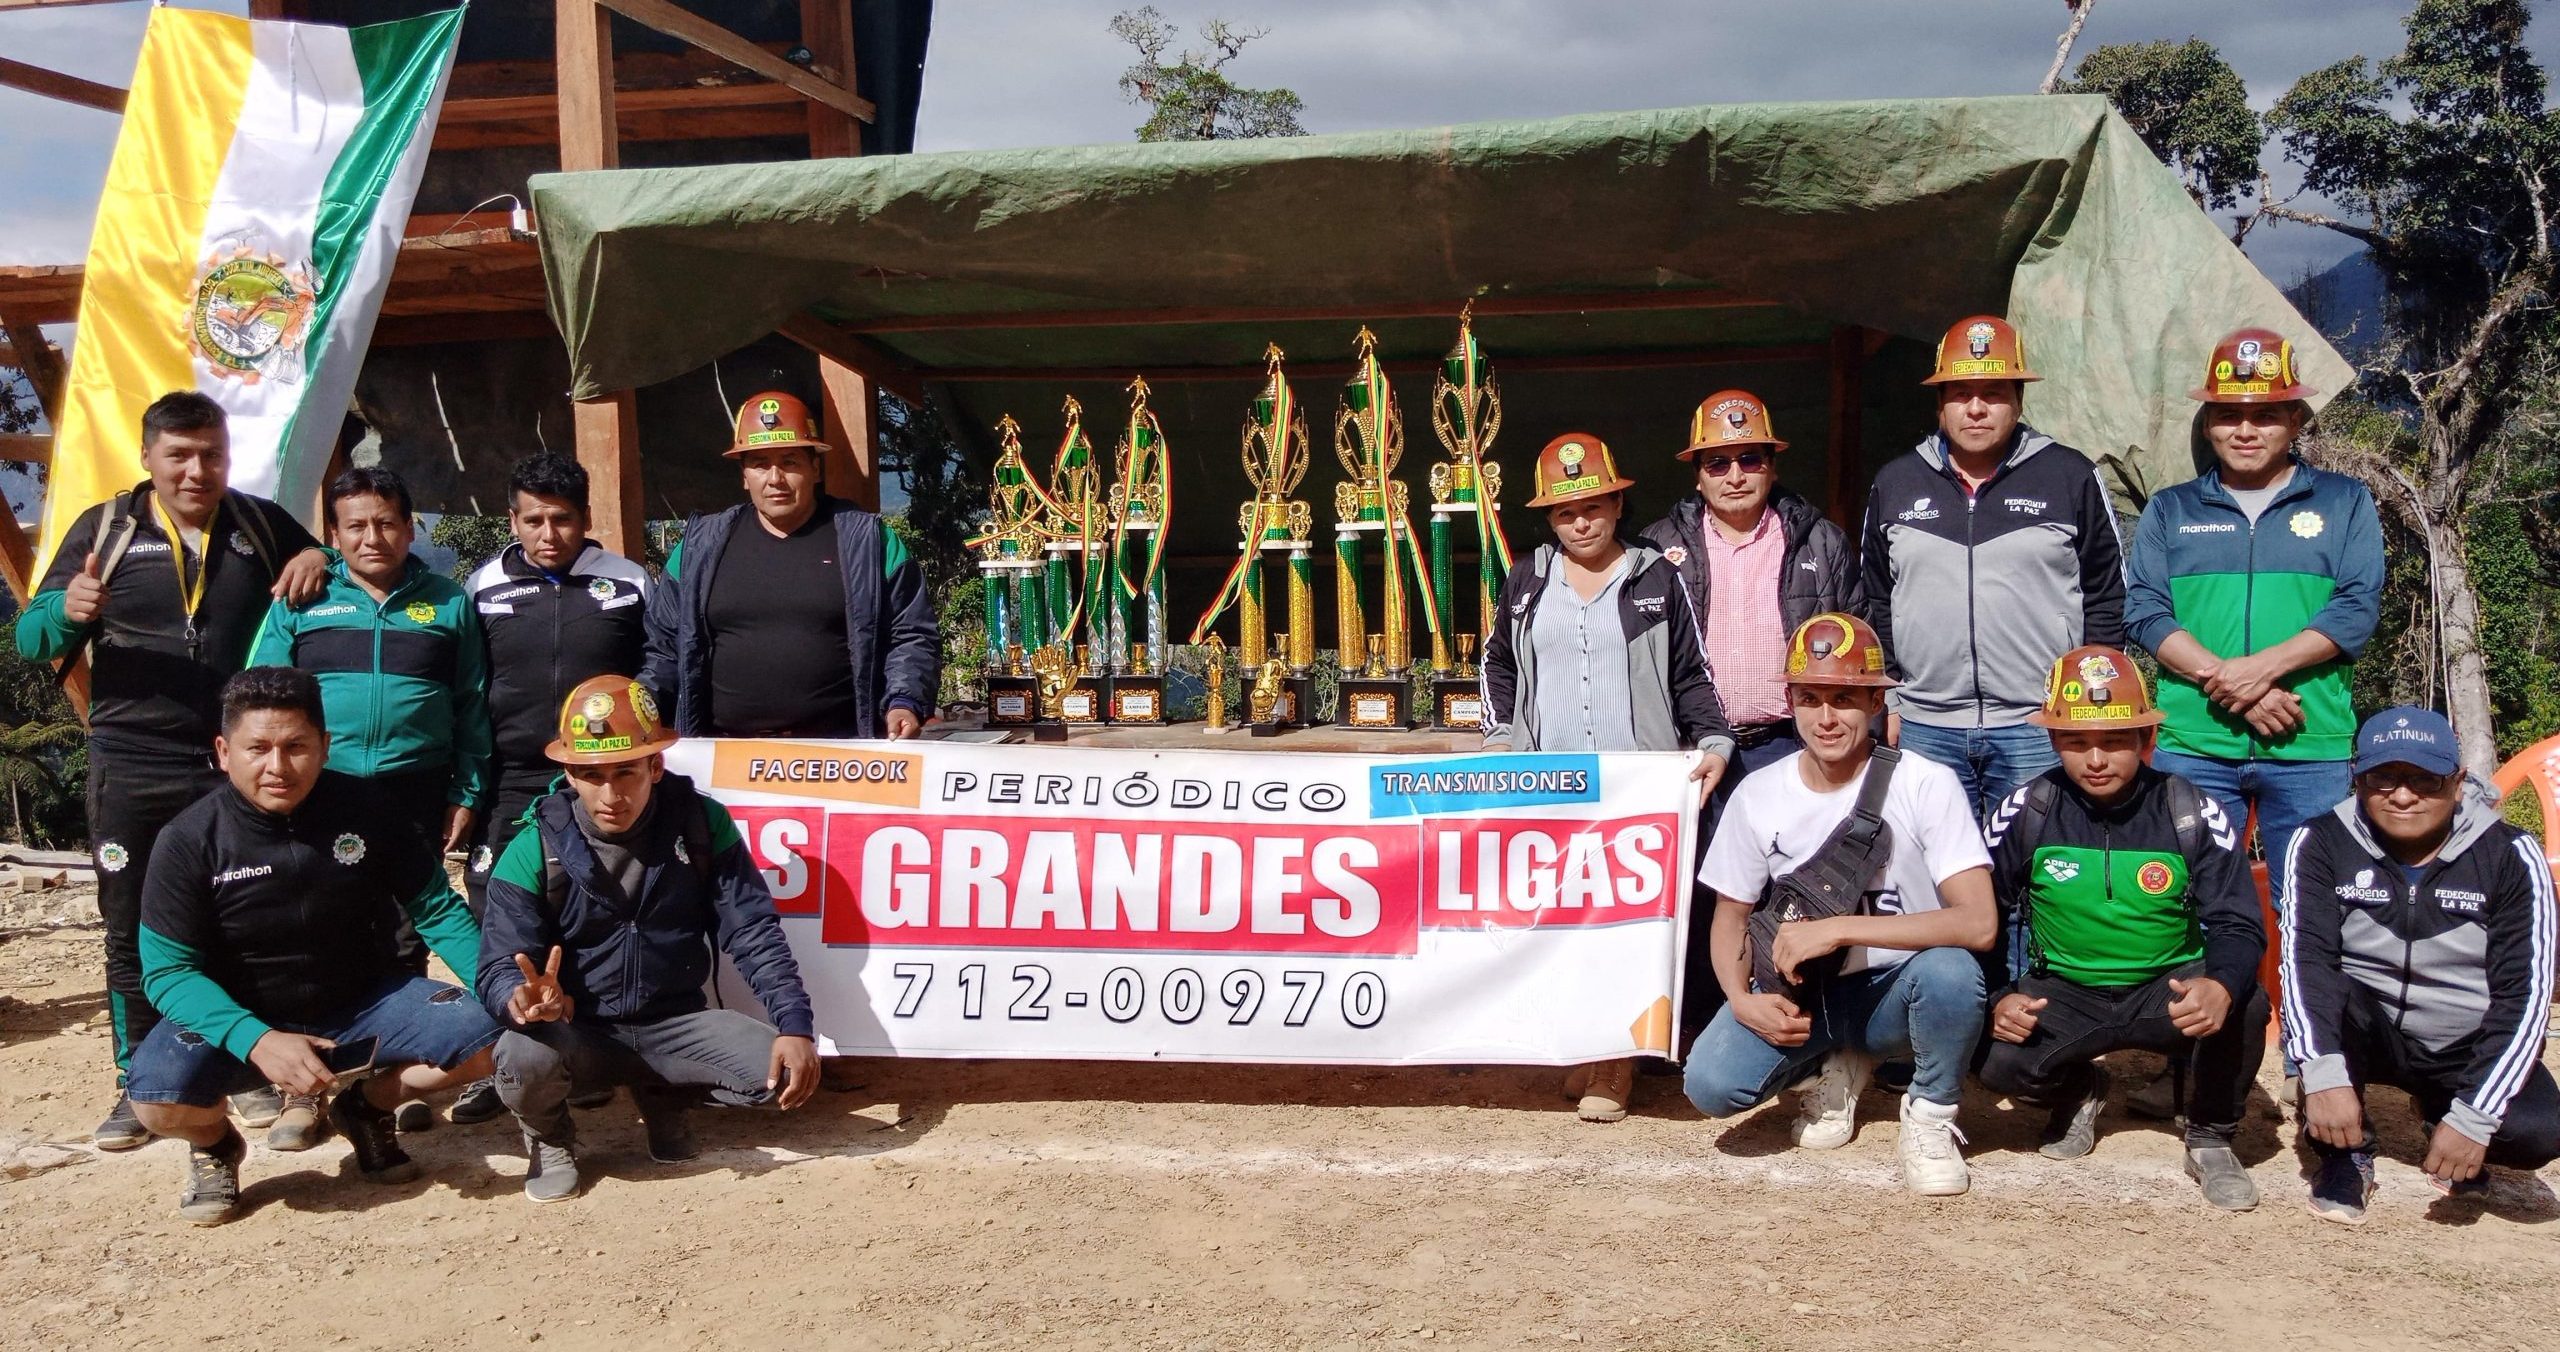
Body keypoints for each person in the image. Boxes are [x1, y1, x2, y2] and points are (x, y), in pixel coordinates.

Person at [10, 391, 331, 1150]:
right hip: (132, 763)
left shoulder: (256, 523)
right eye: (179, 456)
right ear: (148, 458)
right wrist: (70, 610)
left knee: (248, 918)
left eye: (210, 454)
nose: (197, 470)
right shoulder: (106, 530)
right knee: (129, 924)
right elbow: (29, 638)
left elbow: (327, 564)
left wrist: (318, 553)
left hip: (235, 764)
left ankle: (247, 1071)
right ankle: (139, 1084)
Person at [126, 667, 501, 1225]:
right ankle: (215, 1147)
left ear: (325, 748)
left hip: (362, 1000)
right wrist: (256, 1040)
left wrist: (499, 985)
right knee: (156, 1101)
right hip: (241, 1014)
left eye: (296, 746)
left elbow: (437, 910)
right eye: (258, 748)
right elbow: (167, 973)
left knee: (496, 1036)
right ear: (224, 752)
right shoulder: (187, 840)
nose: (278, 767)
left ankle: (365, 1108)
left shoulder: (369, 810)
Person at [2125, 327, 2383, 1105]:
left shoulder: (2342, 502)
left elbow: (2357, 607)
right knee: (2185, 906)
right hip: (2192, 743)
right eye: (2229, 413)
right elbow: (2143, 610)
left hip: (2310, 743)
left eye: (2265, 413)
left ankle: (2317, 1069)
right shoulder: (2172, 509)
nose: (2245, 428)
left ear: (2296, 420)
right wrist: (2226, 682)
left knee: (2318, 909)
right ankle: (2190, 1070)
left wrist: (2259, 671)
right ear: (2208, 423)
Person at [1681, 613, 1994, 1196]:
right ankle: (1831, 1068)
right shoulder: (1759, 791)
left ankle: (1930, 1115)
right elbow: (1729, 919)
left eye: (1845, 698)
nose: (1826, 718)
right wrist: (1739, 998)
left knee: (1954, 973)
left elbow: (1978, 923)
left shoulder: (1926, 783)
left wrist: (1839, 929)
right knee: (1712, 1084)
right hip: (1806, 995)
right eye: (1811, 698)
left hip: (1894, 992)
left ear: (1876, 702)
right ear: (1791, 702)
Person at [478, 674, 821, 1202]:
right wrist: (519, 1000)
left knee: (775, 1075)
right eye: (591, 775)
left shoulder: (703, 824)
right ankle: (549, 1139)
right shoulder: (531, 845)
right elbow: (500, 963)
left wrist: (795, 1024)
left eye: (626, 772)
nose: (611, 794)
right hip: (579, 1030)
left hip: (675, 1022)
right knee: (522, 1056)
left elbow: (752, 931)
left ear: (655, 766)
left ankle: (663, 1095)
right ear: (569, 773)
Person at [1481, 432, 1733, 1124]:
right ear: (1549, 521)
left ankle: (1615, 1063)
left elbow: (1691, 674)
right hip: (1552, 788)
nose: (1582, 522)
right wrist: (1502, 737)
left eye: (1594, 506)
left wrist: (1713, 740)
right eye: (1566, 513)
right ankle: (1585, 1045)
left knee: (1627, 923)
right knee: (1564, 921)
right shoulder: (1528, 580)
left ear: (1619, 503)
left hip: (1634, 786)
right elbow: (1497, 665)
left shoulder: (1657, 577)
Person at [245, 466, 491, 1141]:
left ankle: (391, 1083)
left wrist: (465, 790)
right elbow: (258, 694)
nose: (372, 537)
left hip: (415, 785)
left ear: (411, 528)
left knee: (408, 932)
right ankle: (304, 1090)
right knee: (314, 928)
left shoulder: (447, 603)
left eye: (386, 522)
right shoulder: (304, 597)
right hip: (320, 791)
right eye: (354, 526)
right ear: (333, 534)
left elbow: (472, 707)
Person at [1975, 645, 2268, 1211]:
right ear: (2055, 741)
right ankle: (2080, 1088)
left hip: (2167, 989)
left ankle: (2209, 1136)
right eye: (2077, 742)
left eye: (2114, 741)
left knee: (2247, 1003)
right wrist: (1998, 995)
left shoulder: (2190, 810)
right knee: (1991, 1060)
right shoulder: (2026, 809)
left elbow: (2237, 921)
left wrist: (2221, 985)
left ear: (2144, 740)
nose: (2096, 759)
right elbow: (1985, 912)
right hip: (2064, 991)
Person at [1639, 389, 1864, 1045]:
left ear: (1771, 464)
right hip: (1696, 752)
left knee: (1785, 895)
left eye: (1749, 458)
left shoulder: (1819, 538)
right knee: (1697, 896)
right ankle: (1693, 1033)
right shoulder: (1659, 547)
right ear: (1697, 471)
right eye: (1719, 462)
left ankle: (1793, 1033)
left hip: (1786, 747)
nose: (1735, 474)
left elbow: (1858, 633)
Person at [2280, 707, 2557, 1225]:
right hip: (2368, 1028)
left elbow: (2527, 996)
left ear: (2457, 784)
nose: (2402, 795)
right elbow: (2304, 963)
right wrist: (2320, 1072)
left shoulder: (2512, 854)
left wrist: (2475, 1117)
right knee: (2332, 1006)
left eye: (2423, 780)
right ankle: (2344, 1152)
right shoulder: (2319, 841)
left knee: (2537, 1132)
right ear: (2356, 780)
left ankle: (2442, 1113)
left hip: (2461, 1038)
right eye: (2382, 778)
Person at [1860, 315, 2125, 819]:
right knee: (1933, 876)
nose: (1976, 408)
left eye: (1994, 392)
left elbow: (2107, 594)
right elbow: (1874, 598)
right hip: (1923, 725)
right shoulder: (1895, 482)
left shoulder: (2070, 476)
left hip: (2040, 725)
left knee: (2039, 873)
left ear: (2019, 401)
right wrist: (1887, 700)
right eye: (1960, 393)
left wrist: (2092, 705)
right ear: (1940, 404)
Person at [454, 453, 652, 1124]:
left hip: (598, 776)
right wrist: (467, 784)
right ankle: (499, 1058)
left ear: (586, 519)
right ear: (512, 520)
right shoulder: (480, 588)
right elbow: (465, 692)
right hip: (510, 780)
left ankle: (581, 1055)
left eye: (562, 520)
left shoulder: (628, 583)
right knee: (496, 915)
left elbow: (657, 675)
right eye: (533, 520)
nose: (548, 534)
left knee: (592, 910)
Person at [641, 390, 937, 740]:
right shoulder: (696, 548)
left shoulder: (871, 542)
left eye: (790, 462)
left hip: (843, 757)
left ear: (815, 468)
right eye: (760, 463)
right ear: (744, 475)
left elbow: (912, 634)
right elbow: (663, 646)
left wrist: (905, 700)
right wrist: (644, 706)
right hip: (722, 759)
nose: (775, 479)